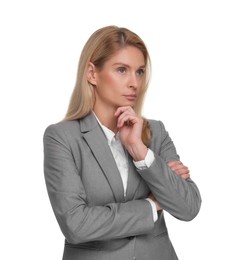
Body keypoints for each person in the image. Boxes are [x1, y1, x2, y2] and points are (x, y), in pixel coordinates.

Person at [43, 25, 202, 260]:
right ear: (92, 73)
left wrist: (141, 153)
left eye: (139, 72)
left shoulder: (154, 132)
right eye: (121, 70)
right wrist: (151, 205)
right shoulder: (62, 137)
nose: (134, 83)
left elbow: (188, 207)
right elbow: (76, 224)